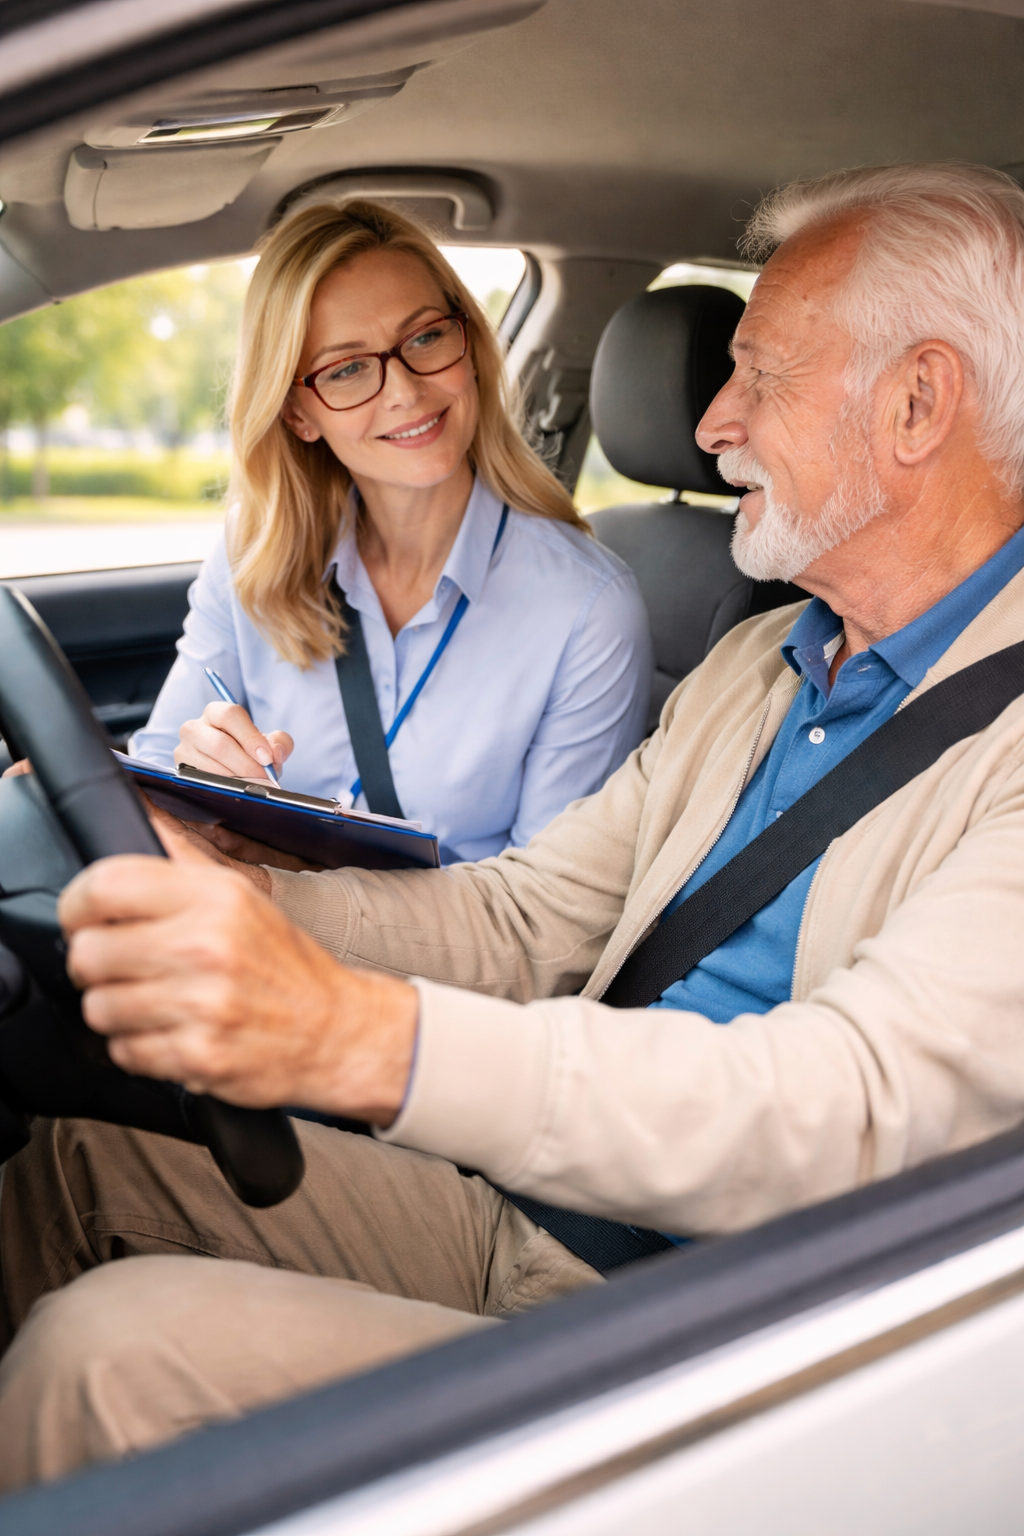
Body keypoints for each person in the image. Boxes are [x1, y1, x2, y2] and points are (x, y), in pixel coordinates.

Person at [5, 160, 1024, 1490]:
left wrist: (350, 1034)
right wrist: (255, 910)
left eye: (758, 373)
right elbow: (527, 913)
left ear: (917, 403)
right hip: (529, 1201)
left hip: (711, 1330)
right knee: (78, 1151)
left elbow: (840, 1111)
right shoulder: (768, 660)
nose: (713, 423)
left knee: (106, 1352)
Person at [129, 199, 650, 863]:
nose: (404, 390)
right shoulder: (250, 553)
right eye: (347, 369)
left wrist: (291, 881)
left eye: (426, 337)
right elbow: (154, 775)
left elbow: (544, 917)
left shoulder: (587, 606)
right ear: (297, 413)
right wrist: (194, 779)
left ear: (470, 349)